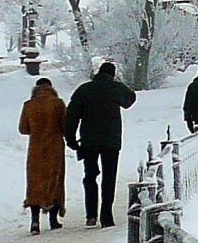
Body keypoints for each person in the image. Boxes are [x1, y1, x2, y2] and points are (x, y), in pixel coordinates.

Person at [63, 59, 136, 227]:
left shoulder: (84, 89)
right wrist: (117, 84)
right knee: (109, 177)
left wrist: (71, 139)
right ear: (112, 74)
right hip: (111, 141)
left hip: (89, 141)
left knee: (90, 176)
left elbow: (71, 116)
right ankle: (106, 215)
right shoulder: (115, 88)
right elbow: (130, 99)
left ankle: (91, 215)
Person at [18, 76, 67, 234]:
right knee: (55, 180)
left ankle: (34, 222)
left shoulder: (28, 105)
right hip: (55, 147)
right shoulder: (58, 104)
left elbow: (23, 129)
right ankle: (53, 220)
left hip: (36, 149)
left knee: (35, 182)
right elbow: (65, 126)